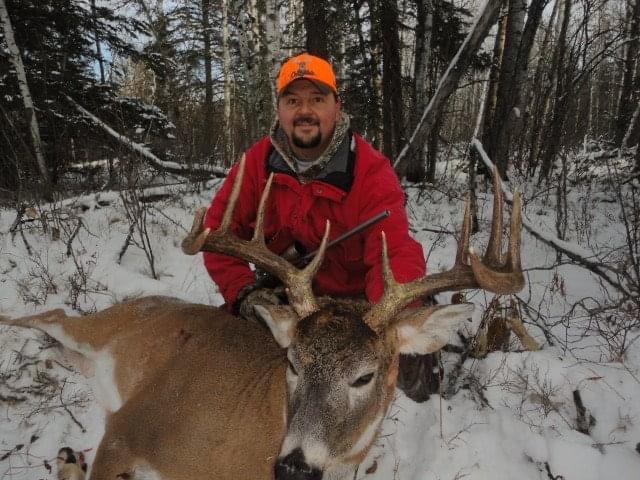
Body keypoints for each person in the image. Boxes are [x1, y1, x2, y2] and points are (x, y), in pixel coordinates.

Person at [202, 53, 438, 401]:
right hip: (293, 299)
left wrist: (389, 315)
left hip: (359, 305)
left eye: (317, 99)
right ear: (279, 110)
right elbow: (216, 233)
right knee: (232, 361)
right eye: (293, 101)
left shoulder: (370, 171)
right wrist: (244, 293)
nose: (305, 111)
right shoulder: (256, 163)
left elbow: (393, 251)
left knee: (412, 379)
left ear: (336, 107)